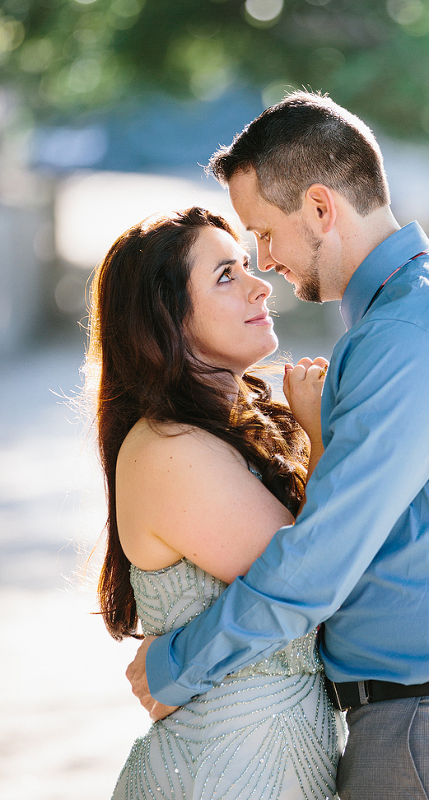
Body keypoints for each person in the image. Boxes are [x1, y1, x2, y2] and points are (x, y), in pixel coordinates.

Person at [125, 92, 429, 799]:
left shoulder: (407, 334)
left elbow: (321, 560)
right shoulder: (422, 311)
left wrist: (177, 664)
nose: (263, 262)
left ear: (321, 209)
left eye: (263, 235)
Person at [87, 207, 341, 799]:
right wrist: (323, 437)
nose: (261, 286)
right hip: (221, 776)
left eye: (249, 266)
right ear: (166, 319)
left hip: (268, 765)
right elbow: (313, 578)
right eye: (227, 276)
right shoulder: (171, 448)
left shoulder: (219, 433)